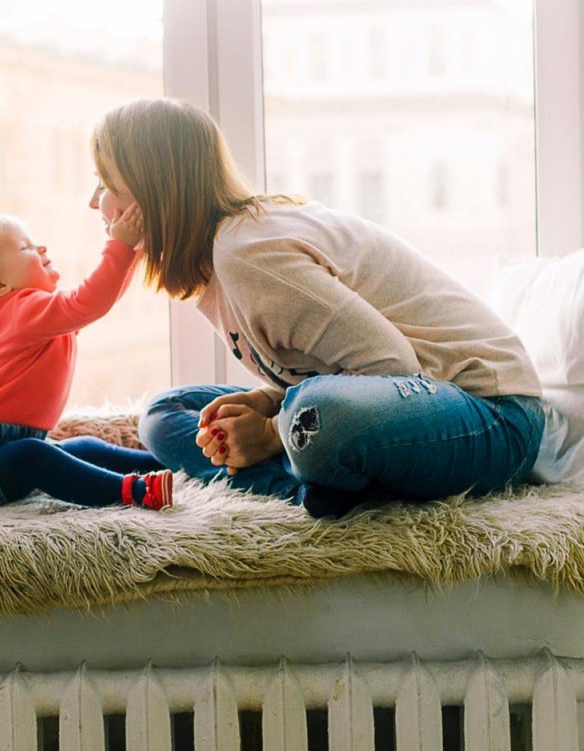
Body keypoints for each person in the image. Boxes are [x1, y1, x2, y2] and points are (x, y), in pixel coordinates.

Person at [87, 97, 545, 518]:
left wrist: (269, 432)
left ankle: (306, 475)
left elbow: (394, 367)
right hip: (400, 405)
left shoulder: (247, 253)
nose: (94, 202)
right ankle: (313, 486)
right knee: (167, 413)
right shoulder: (219, 262)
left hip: (492, 416)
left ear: (154, 192)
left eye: (106, 184)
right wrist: (271, 404)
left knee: (317, 415)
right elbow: (334, 371)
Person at [0, 208, 175, 510]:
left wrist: (134, 251)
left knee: (84, 447)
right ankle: (133, 491)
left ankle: (168, 464)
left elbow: (100, 301)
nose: (41, 248)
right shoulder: (21, 311)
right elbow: (90, 301)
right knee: (33, 456)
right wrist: (121, 247)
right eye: (25, 247)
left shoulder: (35, 315)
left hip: (6, 445)